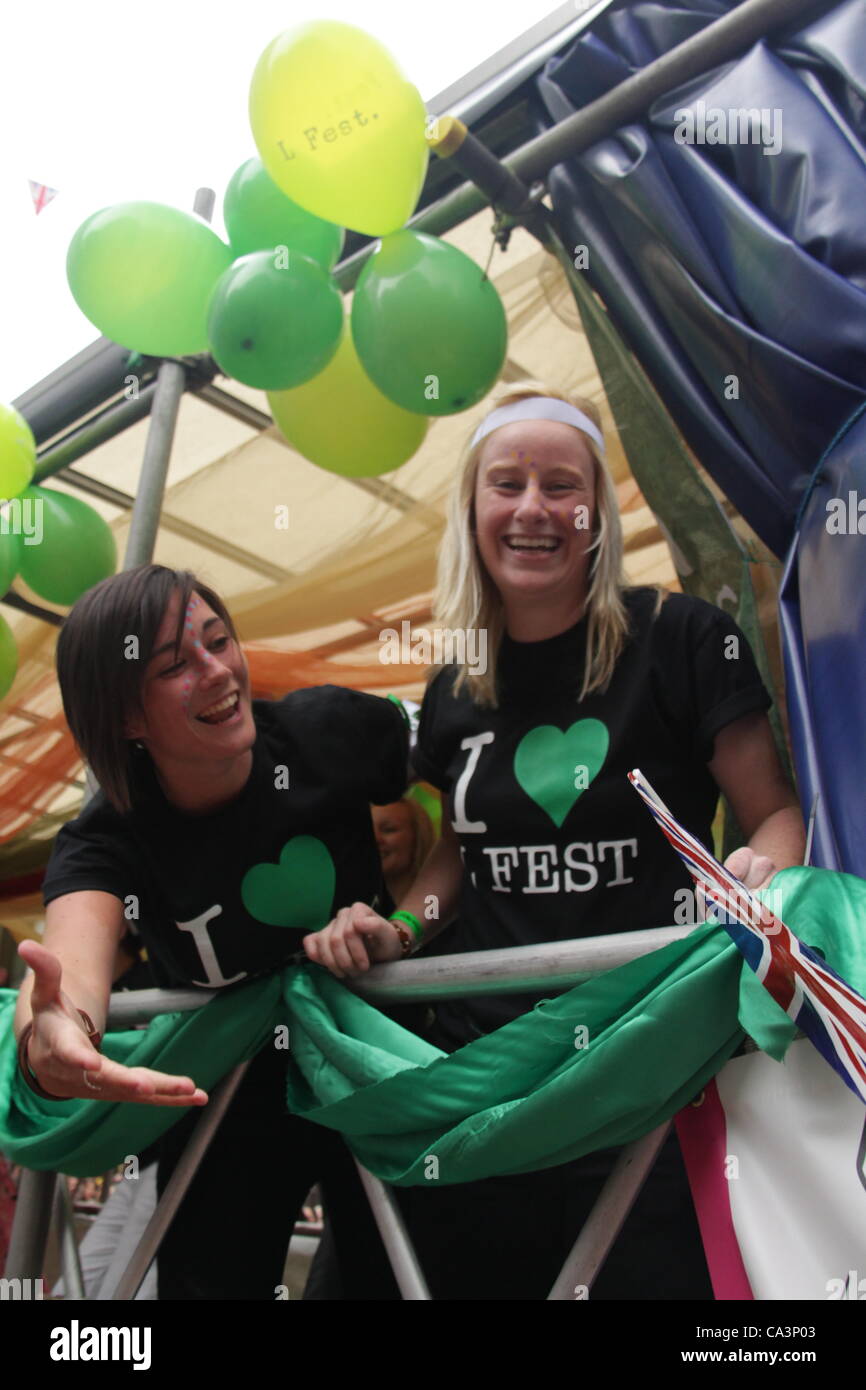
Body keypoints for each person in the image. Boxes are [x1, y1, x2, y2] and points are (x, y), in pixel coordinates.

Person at [303, 381, 806, 1300]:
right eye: (508, 483)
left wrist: (762, 876)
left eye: (561, 484)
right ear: (473, 510)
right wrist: (400, 929)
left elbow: (776, 810)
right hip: (487, 1079)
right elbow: (459, 851)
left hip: (648, 1066)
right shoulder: (456, 686)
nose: (534, 507)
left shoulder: (682, 638)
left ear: (598, 513)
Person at [12, 564, 408, 1300]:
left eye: (219, 640)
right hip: (224, 1102)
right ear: (126, 718)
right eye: (175, 666)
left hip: (382, 1072)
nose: (219, 670)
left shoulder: (333, 730)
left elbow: (469, 795)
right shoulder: (109, 840)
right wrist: (57, 1040)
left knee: (406, 1277)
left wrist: (407, 923)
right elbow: (72, 964)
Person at [371, 797, 435, 915]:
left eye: (388, 830)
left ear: (418, 837)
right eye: (368, 831)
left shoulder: (436, 905)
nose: (374, 838)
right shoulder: (353, 903)